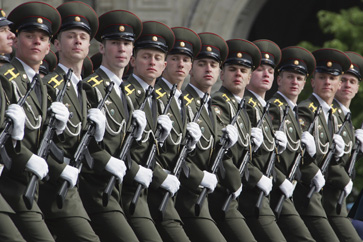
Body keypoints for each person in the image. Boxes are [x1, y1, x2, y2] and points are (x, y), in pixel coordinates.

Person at [38, 2, 104, 241]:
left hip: (80, 183)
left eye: (83, 37)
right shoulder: (49, 86)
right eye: (70, 36)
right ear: (56, 44)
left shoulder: (85, 91)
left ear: (89, 46)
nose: (77, 41)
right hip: (52, 184)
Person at [0, 2, 63, 241]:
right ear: (16, 41)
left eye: (42, 38)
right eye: (29, 36)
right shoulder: (5, 78)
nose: (36, 42)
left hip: (30, 186)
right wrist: (24, 153)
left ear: (49, 47)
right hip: (8, 184)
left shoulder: (41, 85)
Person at [80, 9, 144, 242]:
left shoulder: (125, 92)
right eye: (115, 43)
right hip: (96, 187)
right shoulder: (92, 86)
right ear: (102, 48)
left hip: (120, 189)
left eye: (126, 44)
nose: (121, 49)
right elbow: (79, 143)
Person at [175, 32, 238, 242]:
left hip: (210, 198)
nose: (208, 69)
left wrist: (236, 185)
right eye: (202, 63)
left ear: (220, 71)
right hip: (185, 196)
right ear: (191, 68)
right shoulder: (182, 103)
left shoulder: (214, 109)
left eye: (213, 64)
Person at [147, 26, 202, 242]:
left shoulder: (184, 103)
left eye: (186, 60)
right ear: (165, 62)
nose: (180, 64)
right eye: (175, 58)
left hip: (178, 191)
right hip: (153, 188)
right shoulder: (155, 96)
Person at [121, 20, 175, 242]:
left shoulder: (159, 101)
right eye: (146, 56)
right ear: (133, 60)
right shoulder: (123, 92)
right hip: (125, 188)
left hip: (149, 190)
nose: (152, 62)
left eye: (158, 58)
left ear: (164, 66)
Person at [294, 48, 350, 242]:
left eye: (332, 78)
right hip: (305, 194)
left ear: (339, 83)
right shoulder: (305, 110)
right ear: (313, 82)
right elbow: (296, 156)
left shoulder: (333, 116)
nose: (327, 82)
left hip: (324, 196)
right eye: (322, 77)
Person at [211, 38, 262, 242]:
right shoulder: (219, 102)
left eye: (243, 71)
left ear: (249, 77)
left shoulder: (242, 107)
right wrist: (236, 184)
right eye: (232, 69)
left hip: (240, 193)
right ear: (222, 74)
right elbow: (222, 153)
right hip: (224, 192)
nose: (238, 74)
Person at [239, 39, 287, 242]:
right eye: (260, 69)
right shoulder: (246, 105)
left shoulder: (265, 108)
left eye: (270, 70)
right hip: (248, 193)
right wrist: (258, 177)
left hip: (264, 194)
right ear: (249, 75)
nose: (267, 74)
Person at [267, 46, 316, 241]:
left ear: (305, 83)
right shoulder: (274, 108)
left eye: (299, 78)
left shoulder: (294, 112)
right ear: (279, 80)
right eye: (289, 76)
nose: (294, 82)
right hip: (275, 189)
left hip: (290, 190)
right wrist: (281, 180)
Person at [322, 51, 362, 242]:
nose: (347, 86)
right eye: (344, 80)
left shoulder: (346, 118)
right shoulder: (329, 114)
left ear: (358, 88)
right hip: (323, 197)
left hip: (337, 199)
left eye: (352, 82)